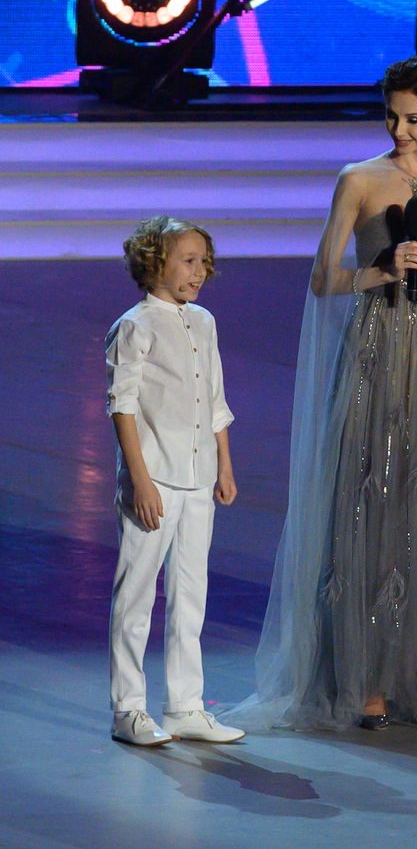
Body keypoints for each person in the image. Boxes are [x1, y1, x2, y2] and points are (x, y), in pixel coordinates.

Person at [229, 56, 417, 732]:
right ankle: (362, 679)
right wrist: (381, 268)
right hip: (378, 350)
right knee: (372, 502)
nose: (400, 130)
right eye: (391, 115)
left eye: (414, 119)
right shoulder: (359, 180)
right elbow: (321, 280)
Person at [105, 216, 245, 746]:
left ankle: (185, 704)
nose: (200, 272)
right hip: (155, 480)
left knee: (192, 594)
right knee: (136, 594)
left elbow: (214, 401)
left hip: (198, 478)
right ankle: (128, 709)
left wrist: (223, 464)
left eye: (204, 262)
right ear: (154, 263)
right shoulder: (135, 325)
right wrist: (139, 482)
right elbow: (123, 405)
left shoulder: (204, 323)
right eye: (188, 261)